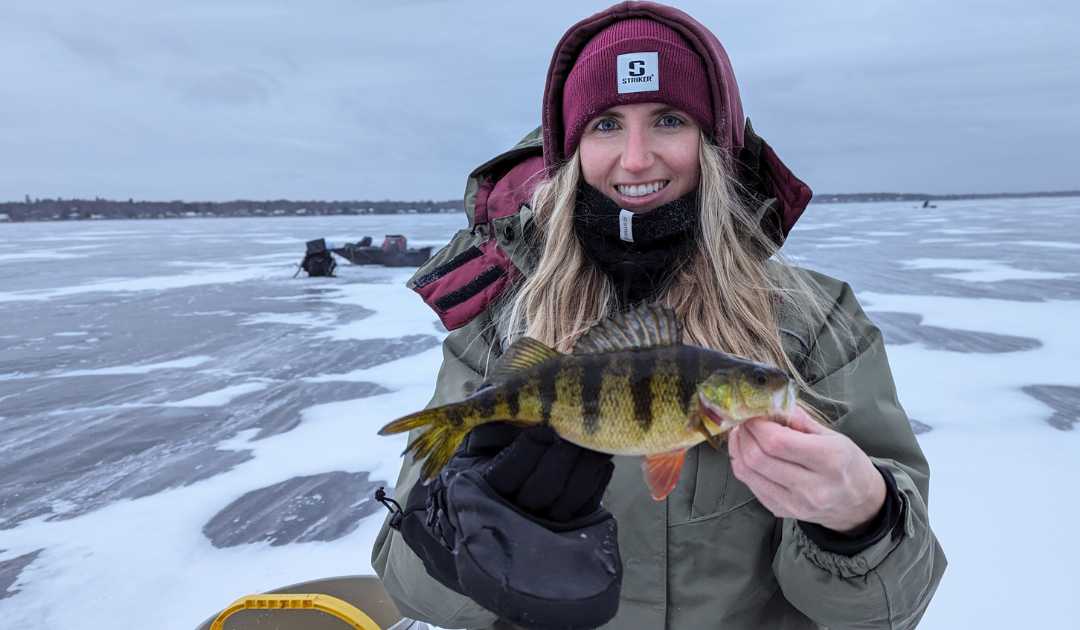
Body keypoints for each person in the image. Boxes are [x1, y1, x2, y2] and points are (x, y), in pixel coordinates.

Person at [372, 2, 946, 629]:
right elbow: (407, 589)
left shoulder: (818, 323)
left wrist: (862, 519)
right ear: (569, 153)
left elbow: (891, 611)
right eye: (606, 125)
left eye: (668, 120)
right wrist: (463, 531)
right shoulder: (500, 326)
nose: (637, 158)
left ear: (715, 146)